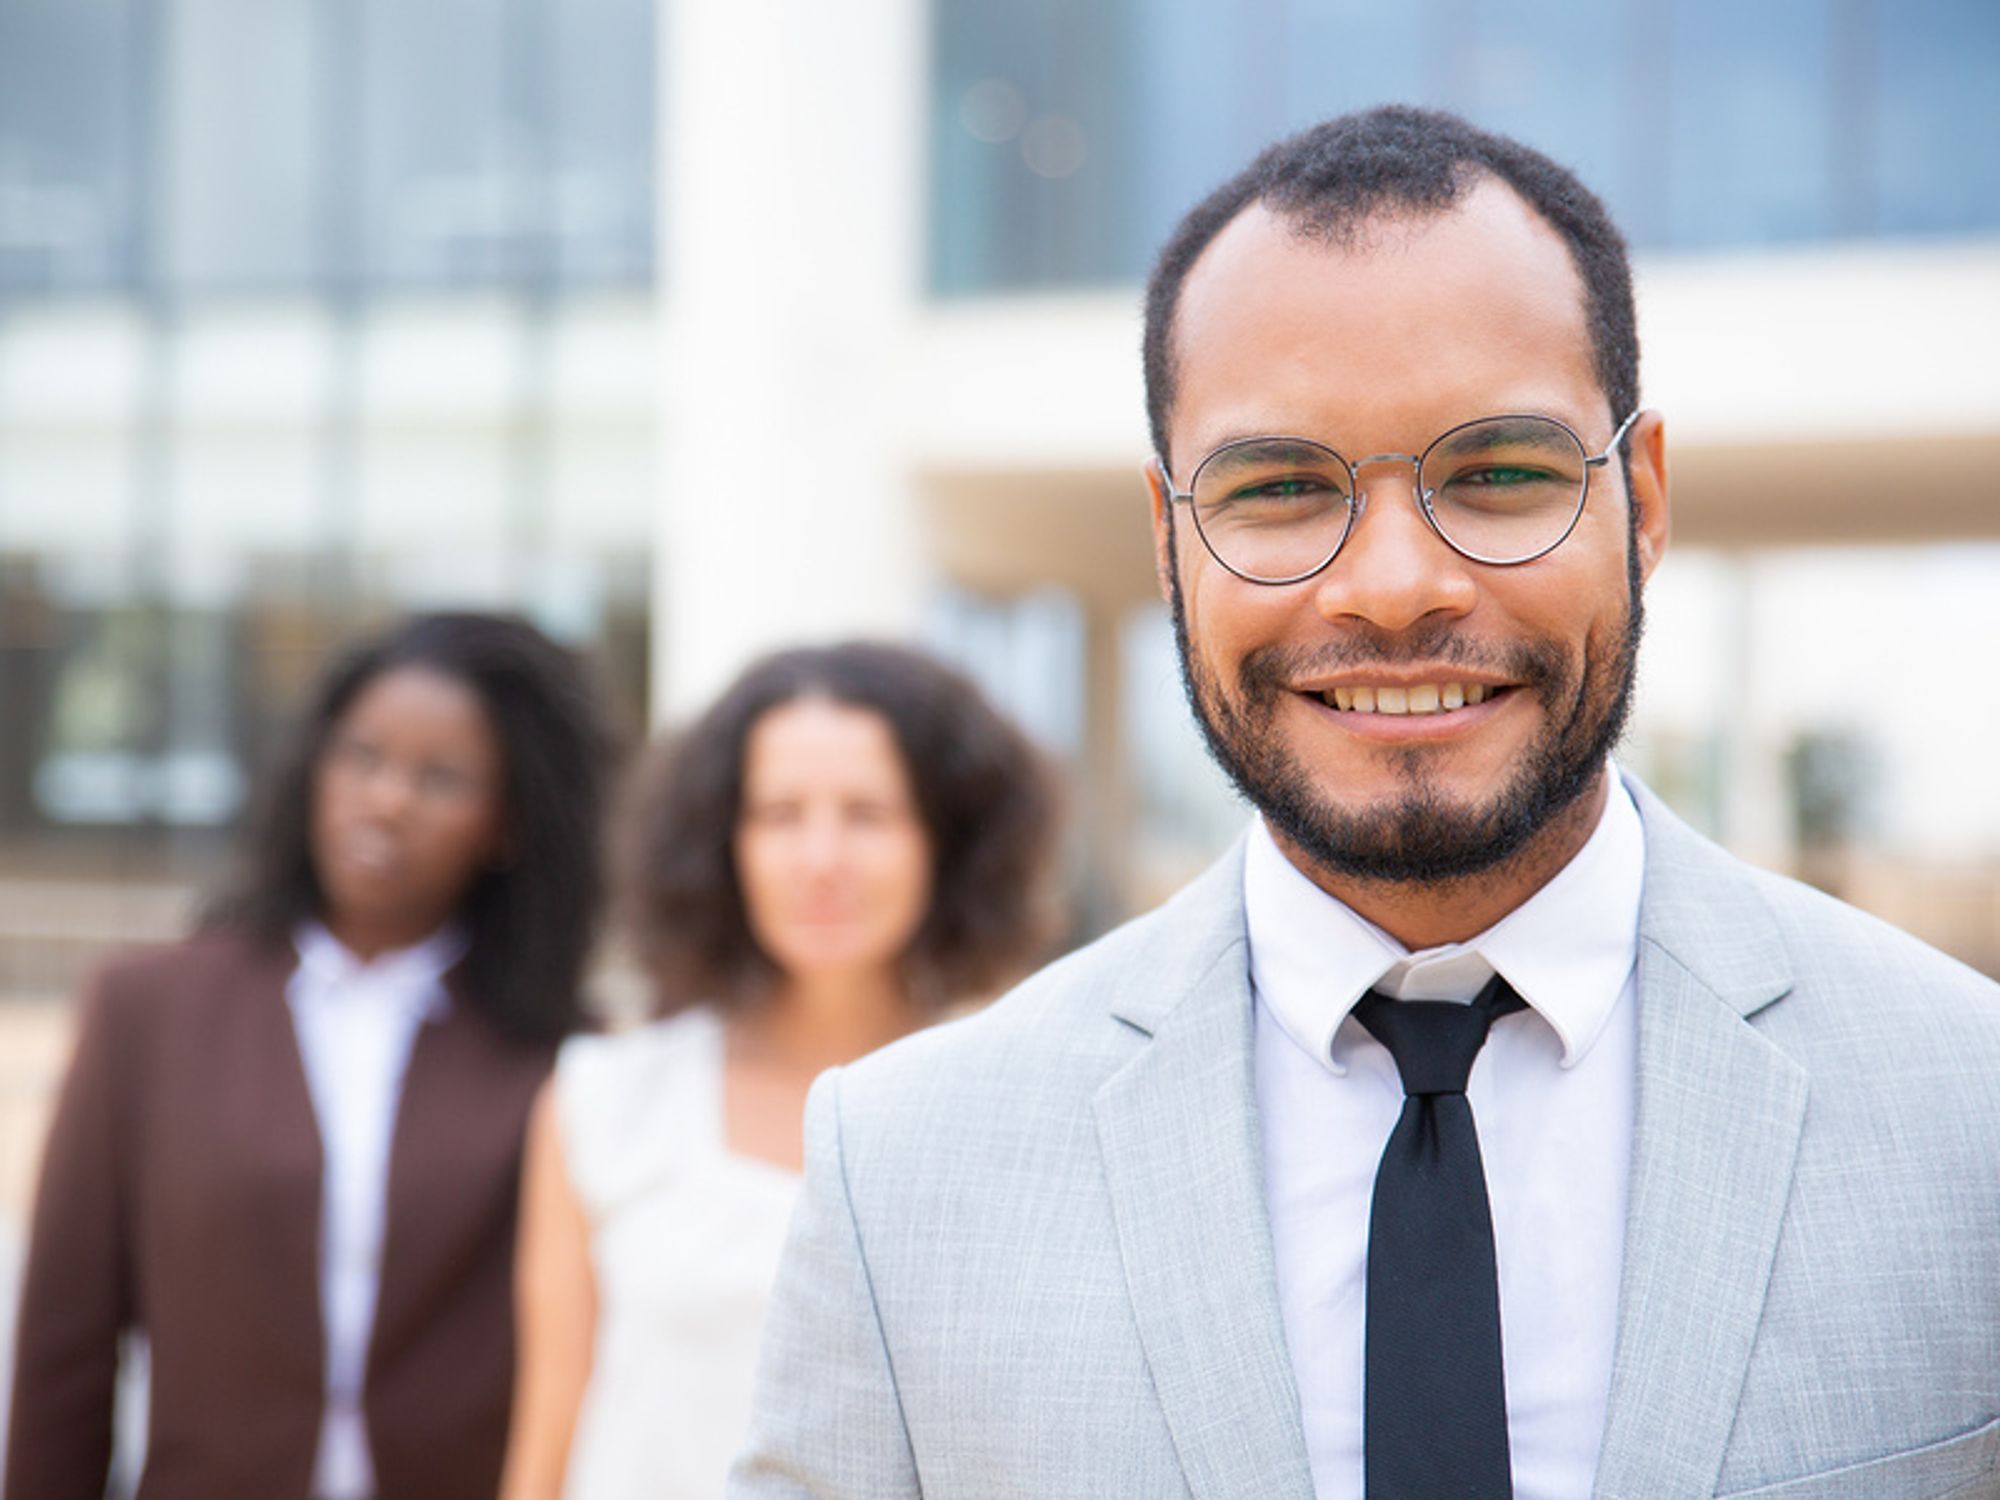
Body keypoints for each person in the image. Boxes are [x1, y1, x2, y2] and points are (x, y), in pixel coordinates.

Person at [730, 105, 2000, 1500]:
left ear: (1641, 498)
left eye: (1500, 473)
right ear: (1168, 542)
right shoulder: (904, 1177)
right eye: (1277, 488)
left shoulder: (1970, 1117)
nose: (1393, 585)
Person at [6, 612, 613, 1500]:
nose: (388, 798)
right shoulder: (149, 1011)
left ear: (509, 825)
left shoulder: (564, 1055)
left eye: (441, 778)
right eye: (361, 757)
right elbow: (65, 1344)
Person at [498, 641, 1058, 1500]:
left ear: (949, 841)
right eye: (780, 814)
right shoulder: (603, 1103)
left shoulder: (1025, 1108)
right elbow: (547, 1445)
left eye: (867, 813)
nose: (820, 858)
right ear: (724, 842)